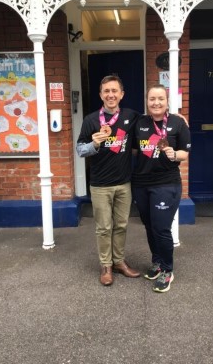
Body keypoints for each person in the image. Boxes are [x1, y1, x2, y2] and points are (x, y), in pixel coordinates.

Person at [76, 75, 140, 286]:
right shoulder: (91, 120)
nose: (111, 95)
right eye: (106, 91)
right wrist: (93, 145)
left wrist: (176, 117)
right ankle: (106, 265)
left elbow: (155, 123)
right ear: (101, 94)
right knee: (103, 227)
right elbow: (80, 150)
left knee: (121, 225)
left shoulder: (131, 116)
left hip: (124, 183)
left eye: (115, 91)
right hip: (100, 185)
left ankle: (119, 262)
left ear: (122, 94)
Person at [132, 84, 191, 293]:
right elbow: (129, 147)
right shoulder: (139, 123)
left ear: (167, 102)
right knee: (149, 226)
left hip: (166, 183)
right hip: (141, 184)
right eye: (152, 99)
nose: (156, 103)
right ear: (147, 102)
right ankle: (156, 262)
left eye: (160, 99)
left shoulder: (177, 123)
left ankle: (167, 269)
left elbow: (185, 152)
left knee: (161, 228)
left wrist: (174, 154)